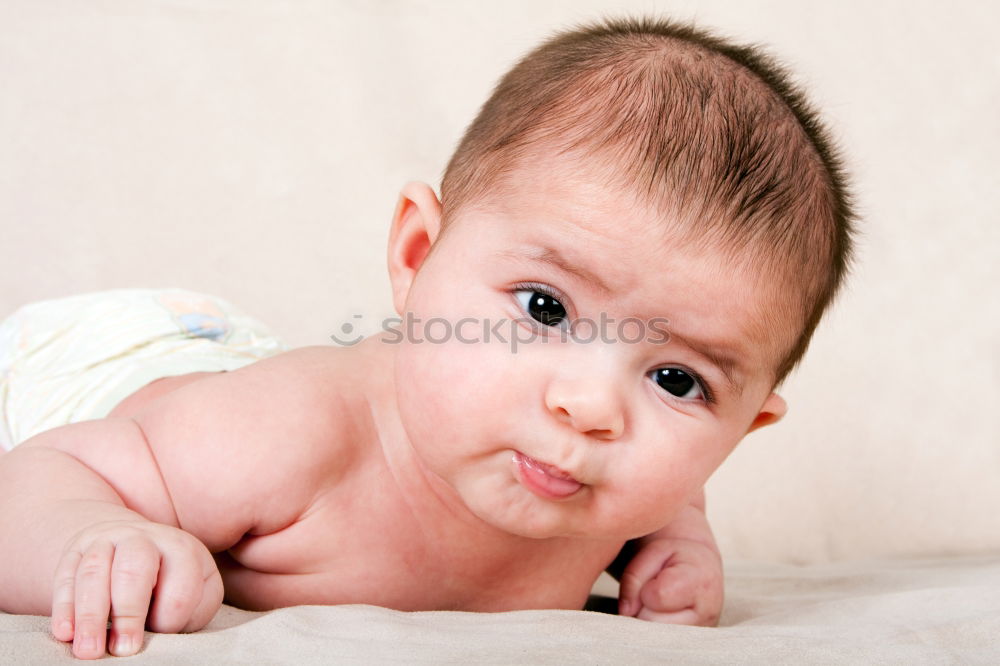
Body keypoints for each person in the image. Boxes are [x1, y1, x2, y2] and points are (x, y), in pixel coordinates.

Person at [0, 16, 854, 660]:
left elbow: (676, 497)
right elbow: (38, 481)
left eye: (675, 381)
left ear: (741, 431)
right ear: (417, 255)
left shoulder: (621, 486)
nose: (591, 406)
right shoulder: (285, 438)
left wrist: (680, 544)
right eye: (545, 308)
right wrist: (90, 534)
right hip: (105, 366)